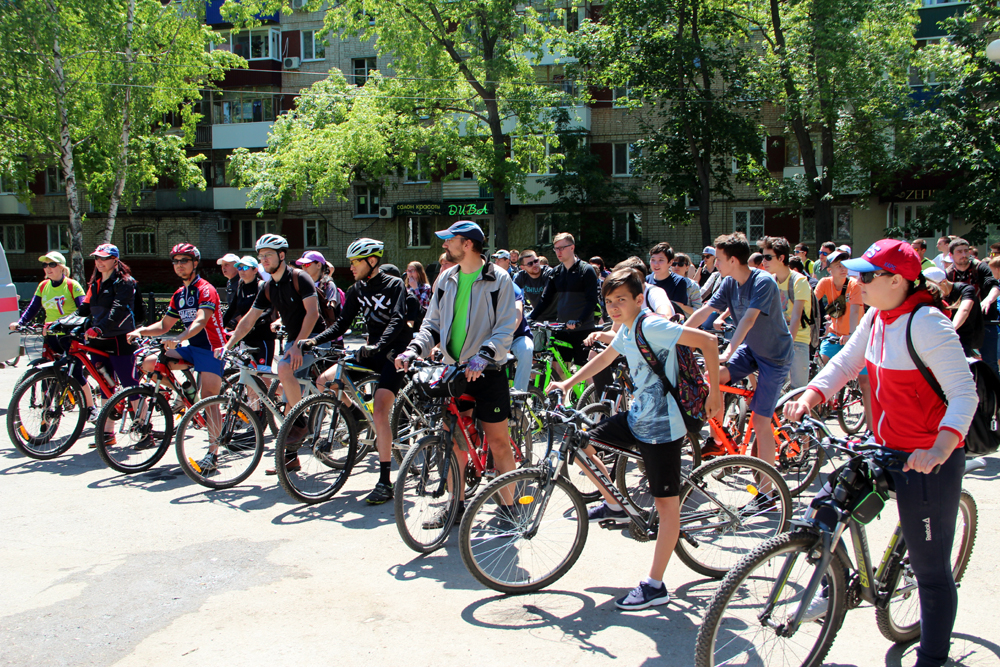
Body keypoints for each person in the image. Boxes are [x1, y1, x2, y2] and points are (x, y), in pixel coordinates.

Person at [783, 239, 977, 667]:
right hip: (888, 446)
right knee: (828, 501)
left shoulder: (927, 323)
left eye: (867, 275)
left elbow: (965, 393)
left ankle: (932, 656)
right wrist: (811, 394)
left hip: (930, 457)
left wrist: (941, 446)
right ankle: (829, 583)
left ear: (897, 280)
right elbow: (848, 363)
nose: (858, 281)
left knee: (930, 569)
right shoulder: (877, 315)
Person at [549, 268, 722, 610]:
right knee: (581, 443)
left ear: (639, 300)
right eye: (609, 302)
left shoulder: (650, 325)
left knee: (666, 506)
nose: (613, 308)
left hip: (665, 425)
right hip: (638, 416)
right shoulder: (627, 328)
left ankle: (655, 586)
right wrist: (567, 384)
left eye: (621, 301)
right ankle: (615, 504)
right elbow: (606, 358)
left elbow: (709, 341)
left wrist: (715, 394)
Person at [395, 220, 518, 524]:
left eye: (449, 240)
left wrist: (485, 355)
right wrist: (414, 349)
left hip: (488, 371)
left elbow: (505, 326)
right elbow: (432, 324)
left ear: (467, 244)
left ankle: (511, 508)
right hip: (454, 372)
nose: (444, 245)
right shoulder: (446, 279)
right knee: (453, 441)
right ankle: (455, 506)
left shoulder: (498, 278)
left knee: (499, 441)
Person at [301, 238, 411, 505]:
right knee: (325, 380)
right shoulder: (356, 289)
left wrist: (379, 346)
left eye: (355, 262)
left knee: (382, 409)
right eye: (350, 262)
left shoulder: (394, 284)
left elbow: (397, 320)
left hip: (394, 353)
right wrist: (316, 340)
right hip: (371, 351)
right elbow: (341, 324)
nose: (350, 267)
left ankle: (385, 481)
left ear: (372, 261)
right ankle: (356, 416)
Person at [686, 233, 793, 467]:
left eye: (719, 259)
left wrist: (728, 353)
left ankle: (768, 494)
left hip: (775, 357)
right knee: (710, 378)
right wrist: (676, 336)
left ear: (733, 260)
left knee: (761, 423)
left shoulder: (763, 281)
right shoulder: (728, 282)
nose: (714, 264)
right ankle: (718, 439)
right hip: (751, 350)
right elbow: (706, 310)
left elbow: (748, 320)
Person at [220, 234, 326, 456]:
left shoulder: (300, 277)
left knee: (284, 369)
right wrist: (228, 345)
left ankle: (300, 421)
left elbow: (313, 314)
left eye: (268, 255)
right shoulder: (267, 286)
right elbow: (248, 319)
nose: (264, 260)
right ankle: (289, 458)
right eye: (261, 256)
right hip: (294, 341)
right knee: (287, 397)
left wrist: (299, 345)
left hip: (315, 338)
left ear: (281, 255)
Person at [129, 243, 228, 471]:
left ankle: (213, 452)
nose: (179, 265)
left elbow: (201, 321)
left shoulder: (206, 289)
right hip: (192, 347)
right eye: (176, 261)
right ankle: (184, 395)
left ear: (195, 263)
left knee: (209, 398)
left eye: (184, 260)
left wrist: (181, 336)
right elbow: (165, 325)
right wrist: (140, 331)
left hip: (212, 348)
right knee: (150, 362)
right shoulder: (179, 294)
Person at [11, 251, 94, 417]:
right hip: (50, 335)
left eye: (52, 264)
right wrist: (21, 323)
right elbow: (33, 308)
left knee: (76, 373)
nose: (47, 268)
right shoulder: (43, 286)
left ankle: (91, 408)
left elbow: (83, 311)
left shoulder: (72, 285)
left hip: (70, 335)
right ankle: (47, 412)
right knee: (47, 373)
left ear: (62, 268)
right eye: (45, 265)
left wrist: (63, 323)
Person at [76, 244, 140, 445]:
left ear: (115, 260)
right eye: (96, 258)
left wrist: (99, 328)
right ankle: (107, 434)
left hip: (120, 340)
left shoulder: (125, 282)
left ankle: (143, 430)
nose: (99, 262)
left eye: (104, 258)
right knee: (105, 385)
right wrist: (61, 323)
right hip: (98, 342)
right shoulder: (94, 284)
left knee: (131, 386)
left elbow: (118, 310)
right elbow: (83, 311)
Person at [813, 247, 873, 430]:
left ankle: (870, 428)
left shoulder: (854, 284)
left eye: (844, 265)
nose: (843, 268)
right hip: (834, 335)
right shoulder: (824, 283)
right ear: (829, 268)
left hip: (855, 336)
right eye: (838, 265)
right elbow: (813, 304)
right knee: (821, 366)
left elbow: (855, 311)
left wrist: (852, 335)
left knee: (865, 384)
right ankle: (822, 408)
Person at [528, 232, 600, 369]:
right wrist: (530, 318)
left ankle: (588, 391)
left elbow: (592, 301)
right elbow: (545, 300)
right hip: (562, 328)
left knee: (584, 370)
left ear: (572, 247)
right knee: (557, 368)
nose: (558, 252)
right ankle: (561, 391)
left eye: (562, 248)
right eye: (556, 248)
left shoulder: (586, 270)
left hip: (583, 329)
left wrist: (580, 321)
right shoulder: (556, 272)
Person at [758, 236, 812, 390]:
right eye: (763, 257)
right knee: (774, 388)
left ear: (781, 258)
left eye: (768, 257)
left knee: (798, 390)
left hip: (797, 340)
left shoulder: (799, 281)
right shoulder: (770, 280)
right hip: (777, 340)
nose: (764, 262)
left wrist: (787, 345)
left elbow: (796, 317)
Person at [947, 237, 999, 372]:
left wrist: (988, 300)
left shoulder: (980, 267)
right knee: (962, 363)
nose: (964, 255)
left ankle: (993, 393)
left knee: (990, 364)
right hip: (961, 324)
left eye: (966, 251)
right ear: (951, 255)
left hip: (985, 321)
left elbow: (994, 286)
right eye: (959, 252)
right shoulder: (948, 273)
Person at [222, 256, 275, 369]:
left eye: (245, 268)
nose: (241, 271)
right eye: (239, 268)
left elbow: (270, 309)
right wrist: (219, 327)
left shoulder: (262, 286)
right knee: (247, 375)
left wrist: (254, 321)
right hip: (246, 337)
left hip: (263, 337)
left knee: (264, 376)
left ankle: (281, 387)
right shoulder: (241, 288)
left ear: (255, 270)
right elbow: (231, 310)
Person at [924, 267, 983, 357]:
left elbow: (964, 310)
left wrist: (950, 330)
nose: (931, 290)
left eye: (933, 287)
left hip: (966, 336)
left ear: (944, 282)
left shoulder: (966, 289)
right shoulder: (933, 294)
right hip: (944, 338)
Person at [296, 251, 344, 345]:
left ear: (318, 265)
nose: (304, 268)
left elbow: (331, 307)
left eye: (307, 264)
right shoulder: (301, 285)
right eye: (302, 265)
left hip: (329, 337)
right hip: (308, 335)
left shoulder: (328, 285)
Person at [647, 242, 693, 316]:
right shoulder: (646, 281)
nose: (656, 264)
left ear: (670, 262)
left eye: (661, 260)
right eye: (653, 260)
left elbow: (677, 306)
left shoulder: (679, 281)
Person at [514, 249, 556, 321]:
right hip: (537, 317)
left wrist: (532, 317)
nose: (534, 265)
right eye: (530, 264)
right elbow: (511, 294)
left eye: (536, 261)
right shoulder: (521, 276)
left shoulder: (548, 273)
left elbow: (546, 297)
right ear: (523, 267)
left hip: (555, 318)